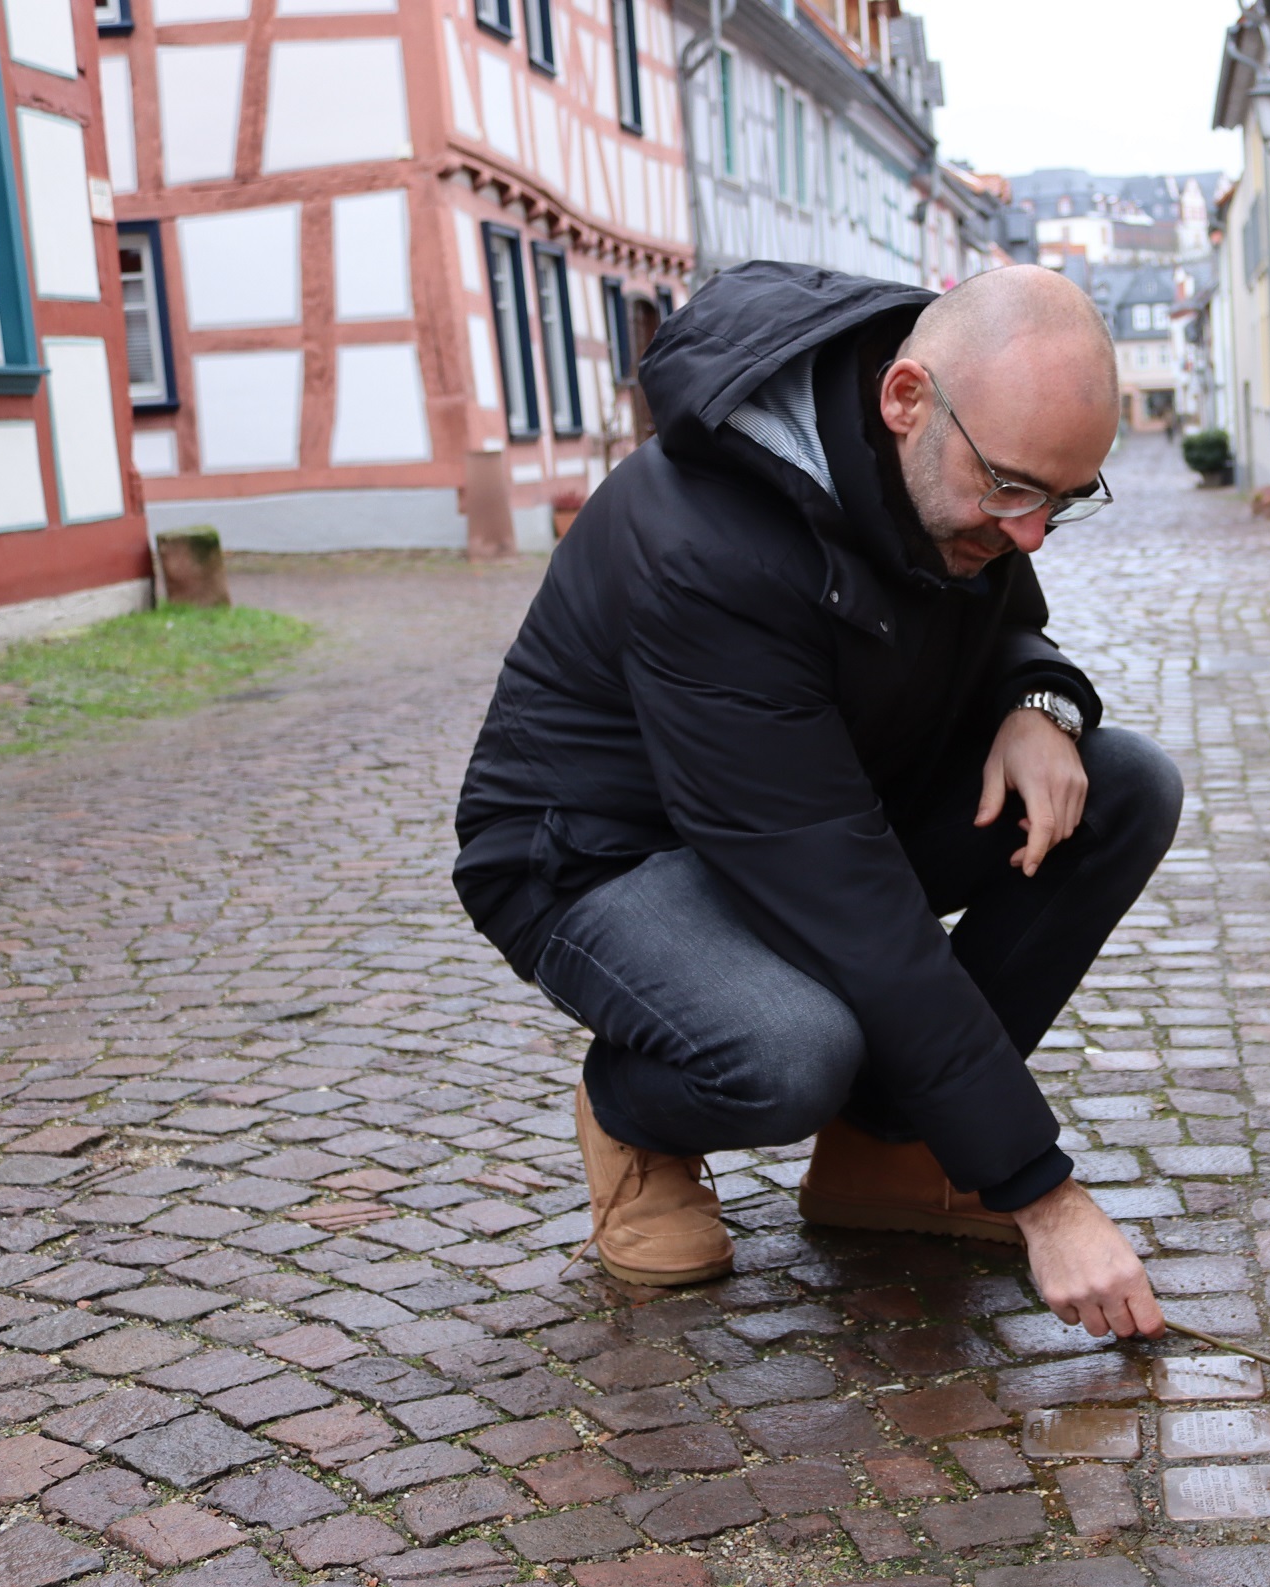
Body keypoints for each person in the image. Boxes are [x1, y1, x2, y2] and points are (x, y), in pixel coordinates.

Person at [452, 263, 1176, 1341]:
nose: (1028, 532)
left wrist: (1039, 703)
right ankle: (631, 1110)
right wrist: (1042, 1195)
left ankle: (887, 1148)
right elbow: (851, 904)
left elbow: (1007, 623)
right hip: (595, 856)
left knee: (1120, 785)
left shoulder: (951, 474)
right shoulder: (707, 544)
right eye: (1016, 489)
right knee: (792, 1049)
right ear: (905, 400)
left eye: (1063, 502)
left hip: (813, 806)